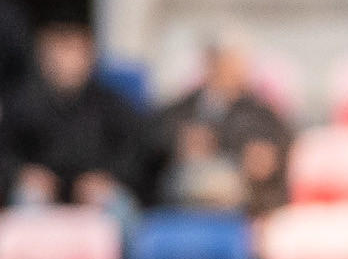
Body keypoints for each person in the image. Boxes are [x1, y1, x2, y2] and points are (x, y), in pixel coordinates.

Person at [142, 33, 296, 219]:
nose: (224, 70)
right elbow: (149, 148)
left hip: (243, 204)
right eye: (219, 61)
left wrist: (259, 163)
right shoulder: (178, 111)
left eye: (231, 62)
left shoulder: (262, 116)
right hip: (177, 202)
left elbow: (278, 159)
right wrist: (177, 146)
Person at [5, 24, 144, 208]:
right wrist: (22, 174)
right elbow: (6, 151)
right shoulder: (22, 105)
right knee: (27, 201)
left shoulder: (114, 105)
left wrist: (109, 177)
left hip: (99, 189)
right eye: (58, 51)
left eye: (74, 50)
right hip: (42, 191)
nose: (66, 60)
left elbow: (134, 152)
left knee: (119, 207)